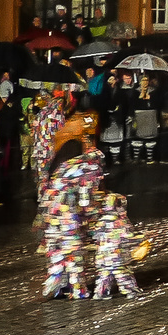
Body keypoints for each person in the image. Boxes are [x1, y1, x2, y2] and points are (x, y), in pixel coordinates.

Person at [43, 118, 105, 300]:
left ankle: (57, 286)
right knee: (73, 251)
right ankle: (78, 290)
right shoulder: (88, 166)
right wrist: (95, 218)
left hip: (52, 211)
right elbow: (86, 201)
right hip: (69, 214)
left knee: (57, 250)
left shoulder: (63, 159)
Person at [93, 191, 140, 299]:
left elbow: (96, 237)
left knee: (104, 275)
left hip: (103, 255)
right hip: (117, 255)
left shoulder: (101, 222)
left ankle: (100, 293)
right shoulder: (121, 222)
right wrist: (138, 240)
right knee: (122, 274)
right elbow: (126, 237)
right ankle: (131, 291)